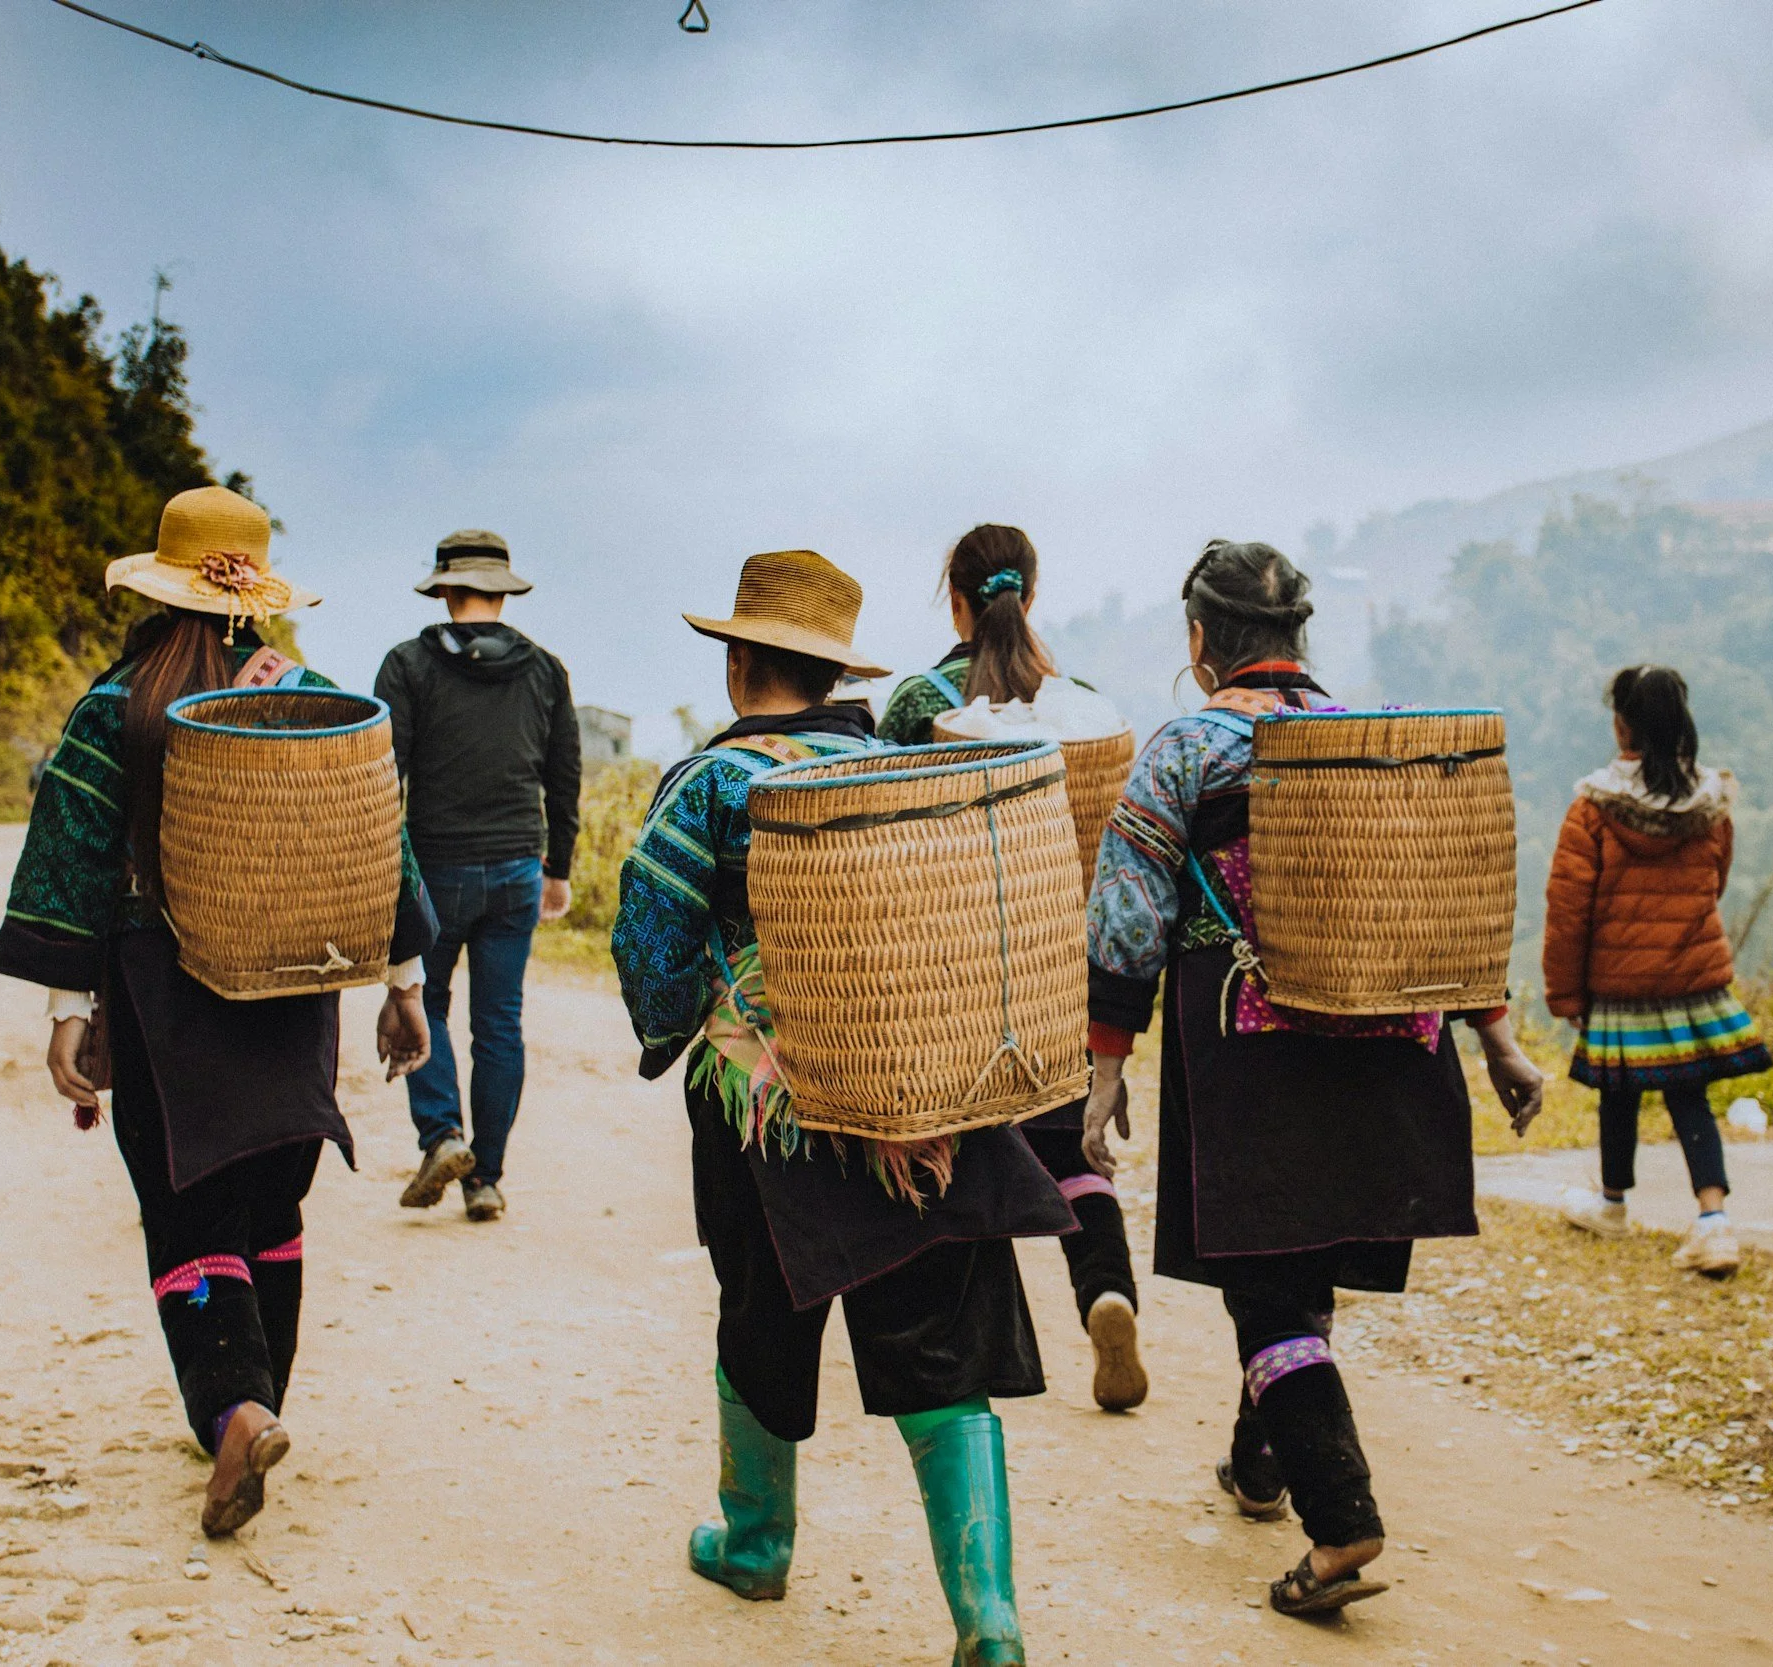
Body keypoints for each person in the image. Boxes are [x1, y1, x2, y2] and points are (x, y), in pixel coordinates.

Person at [612, 549, 1073, 1667]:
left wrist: (669, 1030)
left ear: (736, 661)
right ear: (831, 671)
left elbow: (653, 945)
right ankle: (988, 1615)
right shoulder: (900, 773)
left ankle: (757, 1541)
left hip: (766, 1106)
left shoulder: (712, 784)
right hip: (924, 1092)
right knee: (940, 1344)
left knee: (761, 1311)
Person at [1081, 539, 1546, 1619]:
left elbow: (1127, 915)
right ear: (1300, 637)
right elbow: (1448, 896)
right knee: (1297, 1258)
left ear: (1201, 640)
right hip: (1392, 1041)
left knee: (1265, 1273)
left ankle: (1339, 1523)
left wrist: (1106, 1070)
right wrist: (1496, 1034)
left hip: (1252, 1040)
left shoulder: (1184, 750)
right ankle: (1259, 1463)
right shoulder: (1371, 742)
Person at [0, 485, 436, 1538]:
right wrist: (404, 985)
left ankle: (235, 1408)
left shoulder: (120, 705)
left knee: (188, 1208)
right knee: (272, 1203)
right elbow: (379, 835)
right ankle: (259, 1398)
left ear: (163, 583)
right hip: (293, 985)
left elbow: (75, 850)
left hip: (161, 984)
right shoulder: (315, 696)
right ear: (255, 590)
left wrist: (68, 1005)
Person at [882, 523, 1147, 1413]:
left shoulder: (920, 700)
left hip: (954, 965)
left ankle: (955, 1349)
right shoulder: (1086, 705)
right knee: (1072, 1146)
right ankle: (1104, 1290)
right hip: (1059, 966)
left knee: (953, 1142)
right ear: (1027, 597)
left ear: (955, 599)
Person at [374, 530, 582, 1223]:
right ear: (502, 591)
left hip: (433, 868)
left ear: (442, 589)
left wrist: (379, 872)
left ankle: (443, 1134)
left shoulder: (407, 665)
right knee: (500, 1024)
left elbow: (384, 776)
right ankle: (485, 1178)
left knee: (424, 1001)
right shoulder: (547, 670)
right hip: (519, 866)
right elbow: (564, 775)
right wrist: (560, 867)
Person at [1545, 665, 1772, 1277]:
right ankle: (1713, 1220)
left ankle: (1613, 1203)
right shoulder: (1711, 803)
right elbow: (1714, 884)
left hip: (1619, 982)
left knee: (1618, 1093)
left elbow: (1569, 908)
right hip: (1690, 976)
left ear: (1621, 724)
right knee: (1687, 1094)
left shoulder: (1593, 807)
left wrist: (1565, 992)